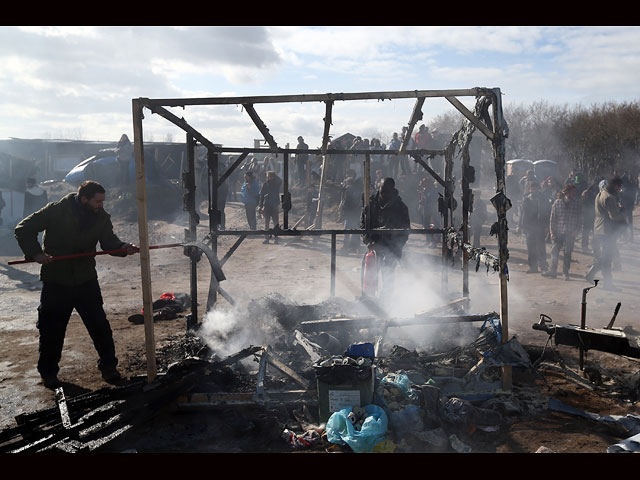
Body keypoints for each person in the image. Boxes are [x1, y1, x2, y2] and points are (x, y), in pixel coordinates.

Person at [14, 180, 138, 389]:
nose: (101, 205)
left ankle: (109, 368)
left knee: (100, 327)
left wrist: (124, 247)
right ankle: (49, 373)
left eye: (102, 201)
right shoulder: (56, 210)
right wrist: (36, 253)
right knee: (51, 329)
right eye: (97, 201)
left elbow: (109, 243)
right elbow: (23, 229)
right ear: (84, 199)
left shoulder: (101, 217)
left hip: (85, 280)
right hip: (56, 281)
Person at [361, 177, 410, 297]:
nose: (383, 194)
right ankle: (368, 299)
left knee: (388, 277)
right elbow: (363, 224)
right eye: (381, 191)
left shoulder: (401, 208)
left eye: (387, 192)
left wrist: (395, 247)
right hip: (373, 246)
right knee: (368, 275)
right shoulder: (371, 204)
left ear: (393, 190)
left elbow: (405, 231)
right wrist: (368, 240)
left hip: (391, 248)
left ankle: (386, 301)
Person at [585, 177, 627, 290]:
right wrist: (622, 214)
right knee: (607, 257)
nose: (620, 189)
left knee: (607, 257)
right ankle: (595, 275)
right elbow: (614, 216)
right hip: (606, 230)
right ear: (617, 186)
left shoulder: (602, 193)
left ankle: (605, 282)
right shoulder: (608, 197)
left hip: (601, 229)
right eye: (620, 187)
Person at [544, 184, 581, 280]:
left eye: (574, 192)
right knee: (554, 252)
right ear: (566, 192)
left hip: (570, 232)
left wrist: (576, 231)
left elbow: (579, 219)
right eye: (572, 191)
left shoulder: (576, 203)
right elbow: (552, 219)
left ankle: (565, 272)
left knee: (568, 253)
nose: (574, 193)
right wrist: (552, 232)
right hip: (558, 232)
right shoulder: (557, 203)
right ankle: (553, 271)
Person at [518, 182, 548, 273]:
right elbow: (522, 213)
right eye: (531, 188)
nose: (533, 190)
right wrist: (519, 225)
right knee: (531, 248)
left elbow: (546, 213)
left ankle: (543, 267)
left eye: (535, 188)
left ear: (538, 189)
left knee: (541, 248)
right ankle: (533, 267)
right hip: (529, 227)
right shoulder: (526, 199)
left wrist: (547, 226)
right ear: (529, 189)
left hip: (540, 227)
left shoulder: (543, 199)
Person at [338, 170, 363, 253]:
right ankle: (356, 247)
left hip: (349, 214)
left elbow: (345, 203)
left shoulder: (347, 191)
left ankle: (345, 247)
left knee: (347, 230)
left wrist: (342, 212)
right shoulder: (358, 191)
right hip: (356, 213)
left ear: (348, 183)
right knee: (356, 230)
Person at [258, 170, 282, 244]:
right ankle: (267, 238)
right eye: (267, 176)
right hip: (267, 205)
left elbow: (280, 180)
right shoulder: (265, 184)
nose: (267, 178)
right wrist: (260, 206)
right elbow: (262, 196)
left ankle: (276, 239)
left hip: (274, 205)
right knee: (266, 223)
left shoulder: (276, 184)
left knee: (276, 223)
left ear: (272, 177)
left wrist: (274, 175)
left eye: (268, 176)